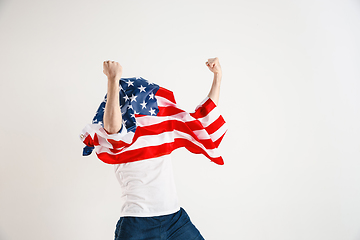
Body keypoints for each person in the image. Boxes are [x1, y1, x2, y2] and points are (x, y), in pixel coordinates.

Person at [99, 57, 223, 240]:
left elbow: (201, 120)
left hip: (174, 219)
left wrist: (218, 76)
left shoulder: (161, 129)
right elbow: (112, 129)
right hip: (137, 223)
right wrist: (113, 80)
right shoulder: (121, 138)